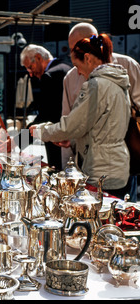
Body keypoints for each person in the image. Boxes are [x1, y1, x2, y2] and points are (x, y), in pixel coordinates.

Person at [30, 33, 131, 199]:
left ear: (88, 58)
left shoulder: (96, 85)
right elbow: (101, 127)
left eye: (76, 65)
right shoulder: (118, 82)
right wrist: (74, 140)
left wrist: (41, 132)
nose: (77, 72)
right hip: (117, 166)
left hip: (101, 170)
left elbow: (71, 126)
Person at [61, 22, 140, 202]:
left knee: (123, 216)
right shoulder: (71, 77)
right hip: (88, 168)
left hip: (123, 164)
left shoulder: (128, 65)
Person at [20, 44, 71, 169]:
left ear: (38, 58)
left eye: (30, 68)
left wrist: (18, 141)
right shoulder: (67, 66)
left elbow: (44, 116)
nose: (31, 74)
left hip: (58, 141)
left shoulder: (49, 76)